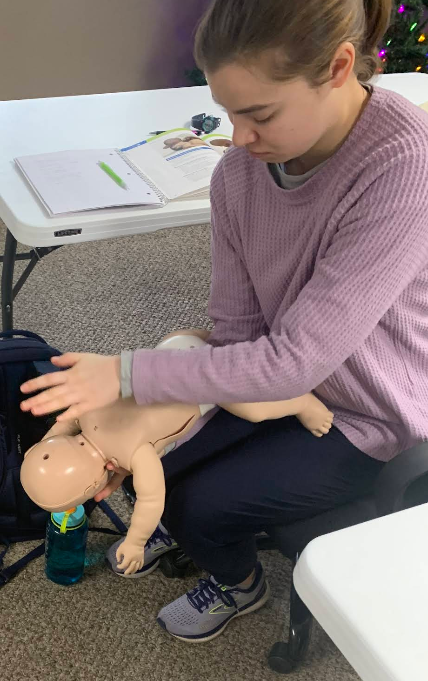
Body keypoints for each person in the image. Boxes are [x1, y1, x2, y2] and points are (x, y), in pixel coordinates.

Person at [21, 0, 428, 643]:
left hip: (366, 410)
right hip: (274, 376)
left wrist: (128, 375)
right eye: (228, 110)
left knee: (196, 506)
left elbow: (297, 360)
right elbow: (238, 332)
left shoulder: (405, 167)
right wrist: (148, 418)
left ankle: (240, 587)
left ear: (338, 67)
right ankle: (187, 523)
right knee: (151, 457)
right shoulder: (239, 175)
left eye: (259, 113)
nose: (236, 137)